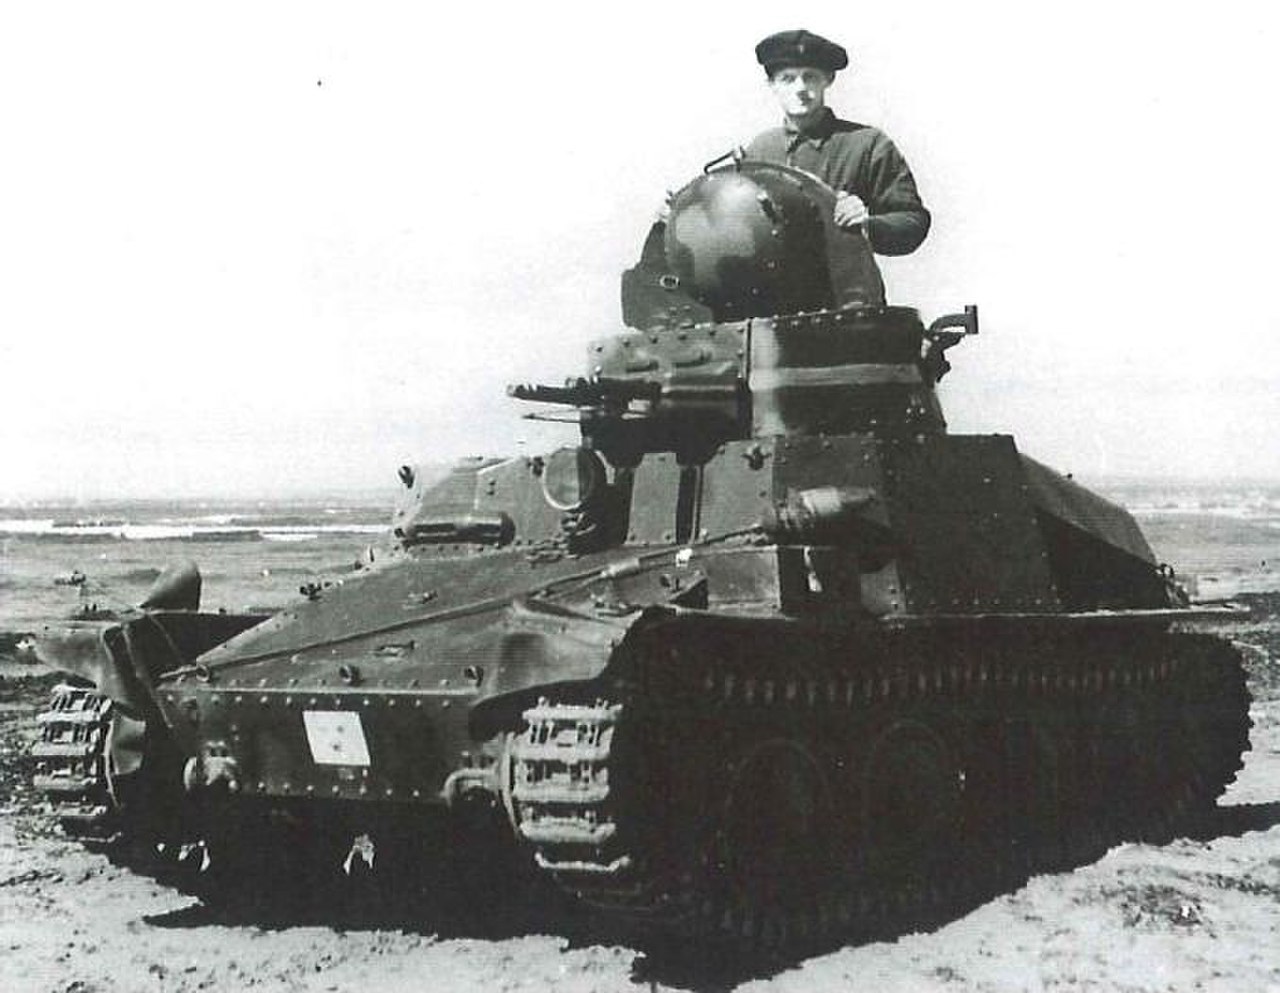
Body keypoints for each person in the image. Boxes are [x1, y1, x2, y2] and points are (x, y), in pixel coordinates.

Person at [745, 29, 930, 256]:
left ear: (828, 79)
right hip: (773, 278)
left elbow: (912, 220)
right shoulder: (759, 150)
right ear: (772, 85)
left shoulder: (867, 144)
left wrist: (867, 224)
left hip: (843, 277)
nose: (800, 88)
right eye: (788, 79)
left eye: (810, 77)